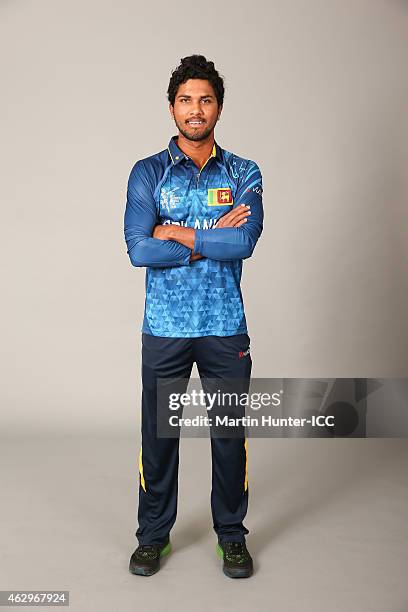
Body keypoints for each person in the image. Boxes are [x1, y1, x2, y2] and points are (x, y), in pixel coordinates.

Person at [124, 54, 264, 578]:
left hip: (225, 327)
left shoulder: (243, 171)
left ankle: (232, 535)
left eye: (205, 99)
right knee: (157, 440)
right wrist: (211, 238)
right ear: (172, 108)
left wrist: (175, 231)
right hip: (165, 329)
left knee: (229, 436)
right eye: (186, 100)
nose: (195, 109)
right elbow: (139, 249)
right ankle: (151, 537)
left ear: (219, 108)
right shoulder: (148, 172)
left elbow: (244, 241)